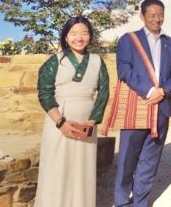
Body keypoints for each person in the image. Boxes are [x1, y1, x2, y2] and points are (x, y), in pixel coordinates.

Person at [114, 0, 171, 207]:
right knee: (127, 160)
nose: (157, 19)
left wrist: (164, 90)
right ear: (142, 16)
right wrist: (149, 90)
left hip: (160, 107)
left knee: (150, 161)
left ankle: (141, 202)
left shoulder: (170, 42)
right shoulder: (129, 40)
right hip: (137, 106)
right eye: (152, 15)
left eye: (160, 14)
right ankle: (122, 202)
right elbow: (124, 70)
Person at [35, 16, 109, 207]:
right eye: (74, 33)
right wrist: (60, 122)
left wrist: (92, 122)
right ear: (66, 37)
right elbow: (44, 93)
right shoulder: (54, 61)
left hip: (86, 122)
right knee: (57, 168)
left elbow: (103, 93)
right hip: (58, 121)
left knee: (82, 170)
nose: (79, 38)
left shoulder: (97, 61)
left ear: (90, 36)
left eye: (84, 33)